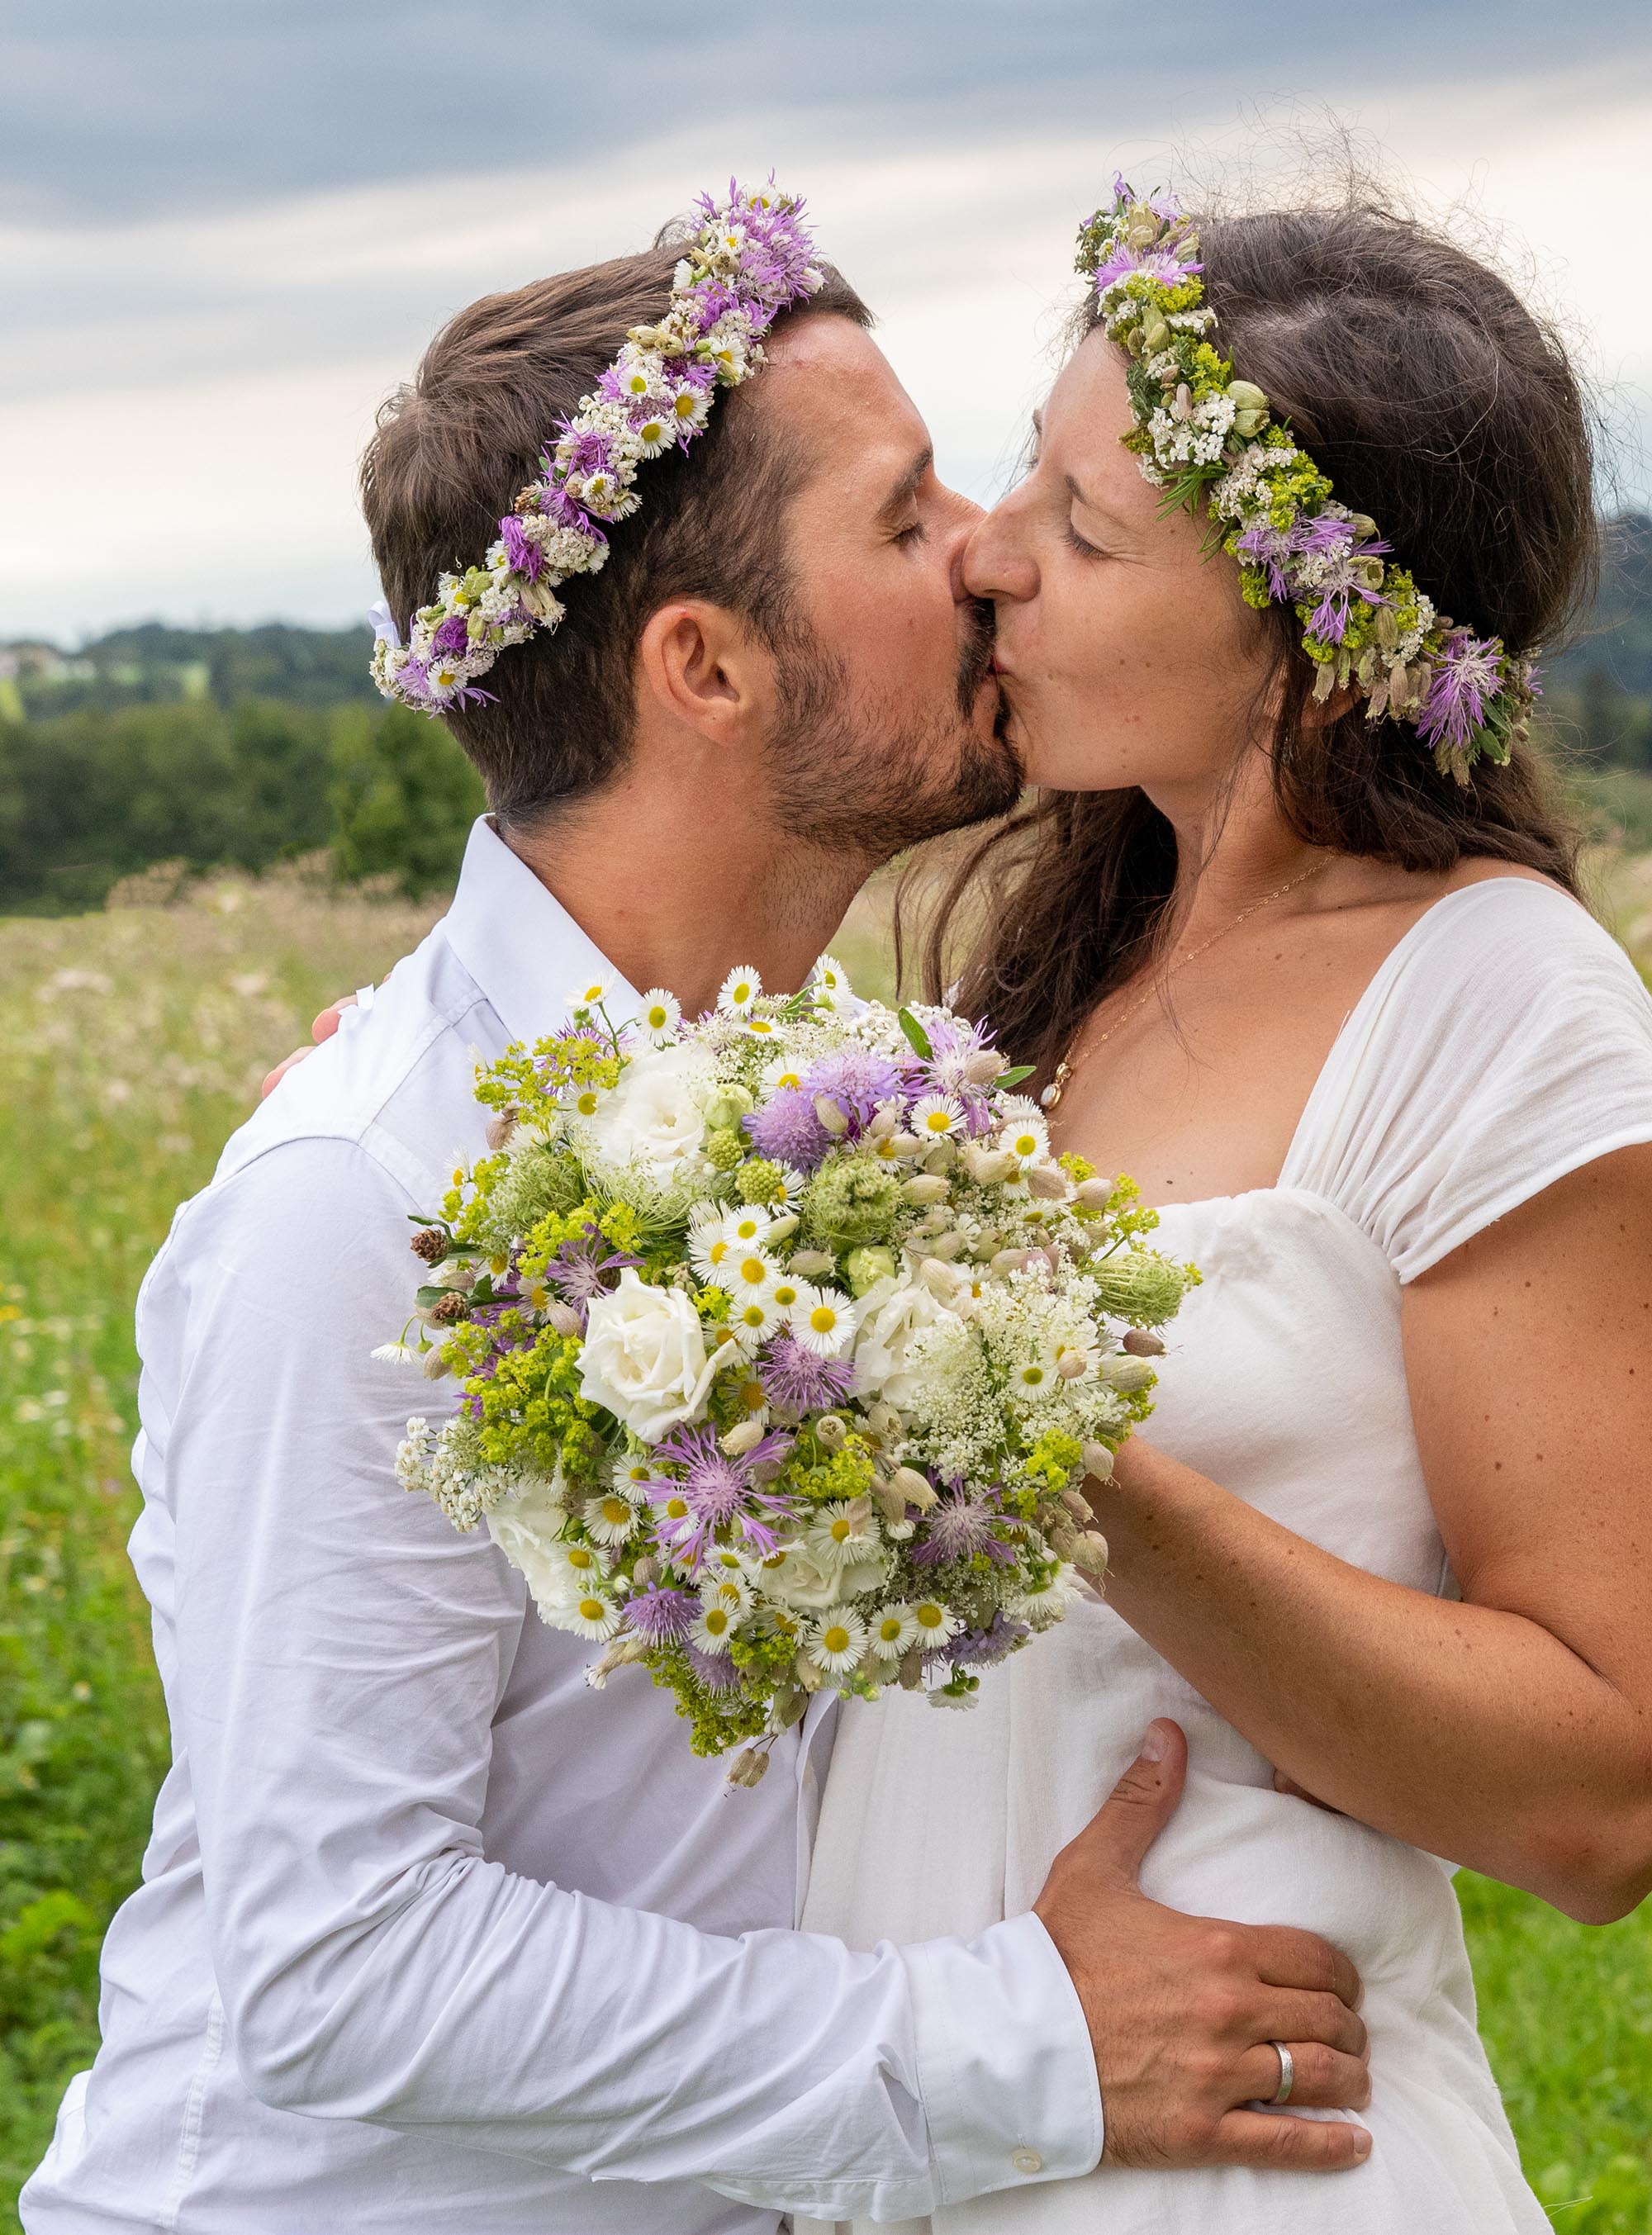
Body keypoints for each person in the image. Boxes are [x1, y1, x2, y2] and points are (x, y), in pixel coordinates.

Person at [21, 188, 1372, 2235]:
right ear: (708, 667)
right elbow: (342, 1970)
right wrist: (1014, 2045)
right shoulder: (361, 1196)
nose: (989, 556)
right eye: (908, 520)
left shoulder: (839, 1114)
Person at [795, 183, 1652, 2234]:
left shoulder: (1496, 1000)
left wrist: (1064, 1462)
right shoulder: (1064, 968)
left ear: (1318, 651)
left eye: (1085, 530)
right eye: (1027, 473)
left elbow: (1601, 1792)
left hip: (1246, 2155)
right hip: (948, 2084)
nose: (987, 553)